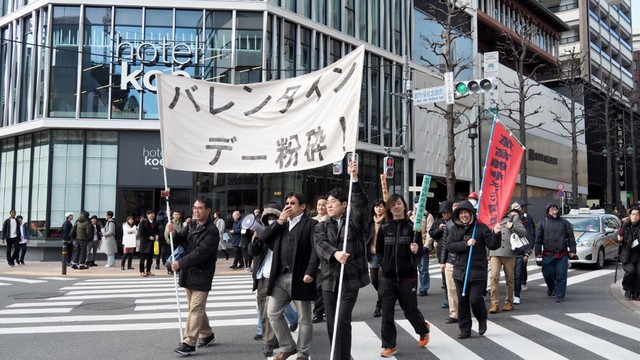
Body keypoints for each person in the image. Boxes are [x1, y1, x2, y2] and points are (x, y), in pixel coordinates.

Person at [314, 161, 369, 360]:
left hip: (349, 279)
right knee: (331, 323)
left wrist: (354, 178)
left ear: (344, 205)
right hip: (329, 281)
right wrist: (335, 253)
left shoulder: (353, 223)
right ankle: (339, 355)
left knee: (342, 320)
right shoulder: (322, 225)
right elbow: (319, 244)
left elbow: (361, 208)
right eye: (327, 203)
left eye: (333, 202)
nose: (328, 206)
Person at [262, 192, 319, 360]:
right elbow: (265, 237)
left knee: (304, 317)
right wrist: (279, 221)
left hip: (300, 276)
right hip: (280, 276)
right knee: (272, 312)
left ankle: (303, 352)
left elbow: (315, 250)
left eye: (292, 203)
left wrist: (310, 271)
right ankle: (288, 346)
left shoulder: (311, 224)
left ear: (303, 206)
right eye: (286, 202)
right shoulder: (282, 224)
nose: (288, 206)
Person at [376, 194, 431, 357]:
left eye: (399, 204)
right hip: (387, 278)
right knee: (387, 312)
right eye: (393, 205)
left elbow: (420, 252)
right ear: (389, 208)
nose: (396, 207)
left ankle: (423, 329)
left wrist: (416, 251)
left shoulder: (413, 228)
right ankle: (388, 345)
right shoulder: (385, 228)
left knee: (410, 310)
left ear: (404, 206)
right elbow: (378, 250)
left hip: (408, 278)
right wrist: (382, 264)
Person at [167, 195, 220, 356]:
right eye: (195, 208)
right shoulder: (191, 224)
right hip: (189, 273)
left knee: (195, 308)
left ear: (208, 210)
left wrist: (180, 263)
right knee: (195, 308)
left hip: (202, 274)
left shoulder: (212, 231)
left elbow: (200, 253)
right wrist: (174, 234)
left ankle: (189, 342)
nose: (196, 211)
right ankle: (207, 334)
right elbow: (182, 239)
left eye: (200, 208)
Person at [446, 200, 501, 339]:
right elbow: (450, 245)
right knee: (462, 302)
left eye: (466, 213)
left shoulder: (481, 228)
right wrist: (466, 244)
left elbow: (493, 245)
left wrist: (496, 234)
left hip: (477, 270)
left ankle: (482, 319)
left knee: (475, 299)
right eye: (461, 213)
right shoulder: (454, 229)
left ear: (471, 214)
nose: (464, 215)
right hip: (460, 271)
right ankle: (465, 329)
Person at [248, 202, 283, 357]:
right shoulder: (261, 232)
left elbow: (279, 250)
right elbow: (253, 253)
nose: (270, 220)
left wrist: (269, 234)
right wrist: (255, 240)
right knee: (263, 310)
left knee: (270, 311)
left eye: (273, 217)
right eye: (268, 217)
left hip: (276, 277)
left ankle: (268, 342)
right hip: (262, 276)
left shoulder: (283, 231)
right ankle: (272, 338)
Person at [535, 203, 576, 303]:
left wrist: (573, 250)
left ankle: (560, 295)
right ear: (548, 212)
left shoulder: (565, 223)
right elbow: (538, 239)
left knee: (561, 275)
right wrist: (538, 252)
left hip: (562, 253)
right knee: (547, 274)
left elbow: (571, 237)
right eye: (551, 210)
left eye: (555, 210)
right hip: (548, 253)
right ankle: (551, 287)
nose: (554, 212)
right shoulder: (542, 223)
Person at [489, 202, 526, 312]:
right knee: (493, 277)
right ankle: (494, 303)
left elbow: (524, 233)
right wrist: (487, 252)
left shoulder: (514, 218)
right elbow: (487, 236)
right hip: (495, 252)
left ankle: (509, 301)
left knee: (509, 278)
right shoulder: (492, 218)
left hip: (509, 252)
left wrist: (513, 226)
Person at [431, 200, 457, 323]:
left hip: (458, 257)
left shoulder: (456, 222)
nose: (444, 215)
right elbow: (432, 234)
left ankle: (460, 306)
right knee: (448, 283)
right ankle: (450, 304)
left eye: (447, 213)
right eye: (443, 213)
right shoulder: (438, 222)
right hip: (445, 256)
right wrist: (439, 229)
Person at [410, 201, 434, 297]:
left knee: (423, 269)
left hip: (422, 244)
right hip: (411, 245)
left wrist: (427, 245)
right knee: (411, 268)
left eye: (418, 202)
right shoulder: (410, 214)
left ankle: (424, 288)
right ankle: (412, 288)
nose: (417, 204)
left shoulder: (428, 216)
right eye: (415, 202)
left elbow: (429, 232)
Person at [366, 199, 386, 318]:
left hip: (384, 255)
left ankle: (379, 304)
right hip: (372, 254)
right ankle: (386, 295)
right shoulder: (370, 222)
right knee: (374, 281)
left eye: (381, 206)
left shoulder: (387, 220)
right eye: (376, 206)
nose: (378, 209)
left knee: (381, 279)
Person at [312, 195, 329, 323]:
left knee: (324, 288)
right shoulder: (311, 220)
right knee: (317, 288)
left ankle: (320, 311)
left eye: (323, 204)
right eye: (318, 204)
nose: (320, 207)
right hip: (314, 259)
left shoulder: (331, 221)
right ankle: (319, 311)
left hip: (327, 259)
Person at [618, 207, 640, 301]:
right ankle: (628, 290)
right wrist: (619, 240)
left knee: (639, 273)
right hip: (627, 255)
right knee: (631, 271)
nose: (635, 216)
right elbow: (618, 241)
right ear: (630, 215)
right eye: (633, 214)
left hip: (639, 255)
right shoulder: (624, 226)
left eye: (637, 214)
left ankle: (637, 292)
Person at [518, 201, 536, 292]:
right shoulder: (511, 218)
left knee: (522, 265)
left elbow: (531, 233)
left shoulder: (527, 218)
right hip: (514, 245)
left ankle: (523, 282)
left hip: (524, 245)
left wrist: (529, 250)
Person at [138, 209, 159, 277]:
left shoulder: (155, 222)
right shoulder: (143, 222)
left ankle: (148, 271)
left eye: (153, 214)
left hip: (152, 242)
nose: (152, 215)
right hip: (144, 242)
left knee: (150, 258)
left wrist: (157, 235)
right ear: (147, 215)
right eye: (150, 214)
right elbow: (141, 233)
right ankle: (142, 271)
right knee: (142, 258)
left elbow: (157, 231)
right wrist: (148, 237)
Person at [165, 210, 184, 275]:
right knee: (171, 255)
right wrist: (168, 241)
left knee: (177, 256)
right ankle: (169, 269)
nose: (176, 216)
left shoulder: (181, 223)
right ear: (173, 215)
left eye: (177, 214)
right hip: (171, 242)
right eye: (175, 214)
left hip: (178, 242)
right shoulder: (170, 223)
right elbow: (166, 233)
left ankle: (176, 268)